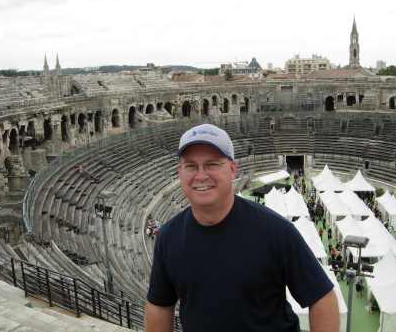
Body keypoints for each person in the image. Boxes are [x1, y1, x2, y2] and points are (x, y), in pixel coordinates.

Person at [145, 124, 339, 332]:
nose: (201, 176)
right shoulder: (168, 237)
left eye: (211, 164)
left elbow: (322, 297)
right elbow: (160, 305)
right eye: (191, 166)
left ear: (232, 169)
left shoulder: (275, 231)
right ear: (180, 171)